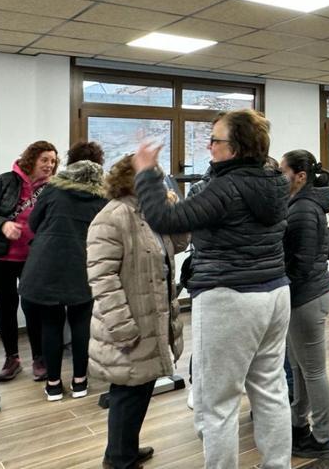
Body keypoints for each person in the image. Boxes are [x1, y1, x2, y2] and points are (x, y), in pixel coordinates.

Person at [132, 109, 292, 469]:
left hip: (230, 298)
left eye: (215, 140)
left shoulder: (226, 187)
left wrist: (145, 173)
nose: (209, 146)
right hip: (275, 293)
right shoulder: (276, 181)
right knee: (270, 390)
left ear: (234, 149)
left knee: (217, 404)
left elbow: (166, 219)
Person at [87, 154, 188, 469]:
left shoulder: (149, 214)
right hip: (128, 321)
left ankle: (123, 449)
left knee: (141, 386)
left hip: (152, 317)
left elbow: (181, 244)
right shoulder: (113, 216)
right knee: (127, 391)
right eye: (150, 178)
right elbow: (102, 279)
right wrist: (122, 326)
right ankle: (119, 459)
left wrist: (172, 209)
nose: (157, 184)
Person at [18, 142, 106, 401]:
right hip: (85, 263)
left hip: (48, 262)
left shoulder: (54, 188)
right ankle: (80, 381)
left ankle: (54, 384)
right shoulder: (104, 195)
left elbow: (33, 223)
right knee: (81, 323)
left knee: (51, 323)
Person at [0, 140, 58, 382]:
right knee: (7, 306)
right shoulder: (5, 181)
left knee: (34, 306)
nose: (49, 165)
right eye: (45, 160)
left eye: (53, 161)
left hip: (35, 257)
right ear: (31, 160)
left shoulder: (52, 188)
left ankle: (39, 358)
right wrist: (3, 224)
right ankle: (12, 358)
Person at [280, 149, 329, 459]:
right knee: (299, 368)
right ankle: (298, 424)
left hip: (307, 296)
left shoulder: (302, 208)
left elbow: (300, 263)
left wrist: (280, 285)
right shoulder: (300, 203)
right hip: (308, 293)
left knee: (313, 371)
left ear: (300, 176)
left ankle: (324, 438)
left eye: (283, 171)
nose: (279, 176)